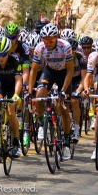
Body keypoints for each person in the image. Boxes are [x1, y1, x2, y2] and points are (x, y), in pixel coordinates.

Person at [29, 23, 75, 161]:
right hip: (49, 72)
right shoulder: (40, 47)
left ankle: (66, 143)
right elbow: (33, 70)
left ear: (56, 38)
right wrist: (30, 90)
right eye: (45, 40)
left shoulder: (65, 46)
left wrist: (62, 90)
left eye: (50, 40)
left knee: (64, 109)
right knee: (39, 95)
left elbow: (71, 70)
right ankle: (42, 122)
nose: (47, 43)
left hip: (64, 74)